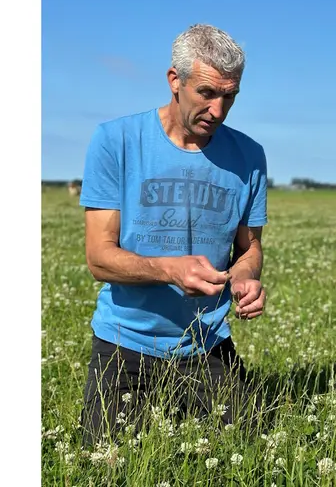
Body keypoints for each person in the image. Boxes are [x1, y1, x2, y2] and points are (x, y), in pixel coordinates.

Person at [78, 23, 269, 446]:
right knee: (106, 462)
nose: (218, 110)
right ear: (174, 81)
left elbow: (250, 247)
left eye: (230, 96)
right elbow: (99, 258)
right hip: (124, 343)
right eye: (207, 93)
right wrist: (169, 269)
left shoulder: (250, 156)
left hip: (207, 345)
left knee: (247, 451)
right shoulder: (115, 141)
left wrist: (246, 277)